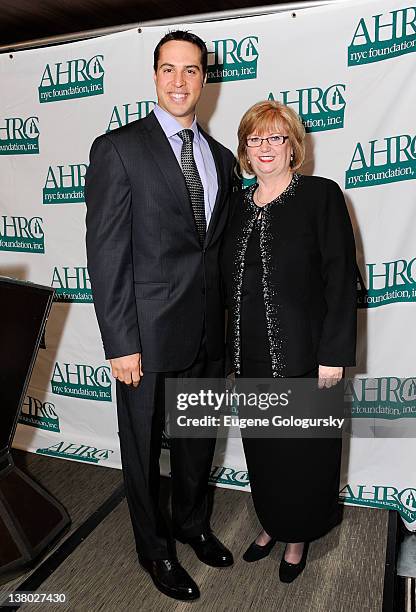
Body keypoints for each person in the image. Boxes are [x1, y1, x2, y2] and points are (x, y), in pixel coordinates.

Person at [85, 30, 235, 601]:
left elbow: (214, 251)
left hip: (205, 333)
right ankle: (155, 549)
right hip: (143, 337)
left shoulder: (220, 158)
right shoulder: (119, 148)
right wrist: (121, 342)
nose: (179, 81)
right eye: (169, 69)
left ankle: (192, 523)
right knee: (143, 450)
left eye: (191, 70)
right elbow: (106, 253)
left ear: (203, 79)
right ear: (154, 76)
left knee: (198, 441)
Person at [221, 100, 357, 583]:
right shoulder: (235, 205)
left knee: (304, 454)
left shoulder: (321, 196)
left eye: (276, 138)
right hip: (251, 357)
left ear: (293, 147)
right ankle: (272, 524)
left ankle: (299, 535)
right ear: (244, 149)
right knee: (265, 451)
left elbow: (341, 279)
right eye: (255, 139)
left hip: (306, 357)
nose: (265, 148)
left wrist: (334, 355)